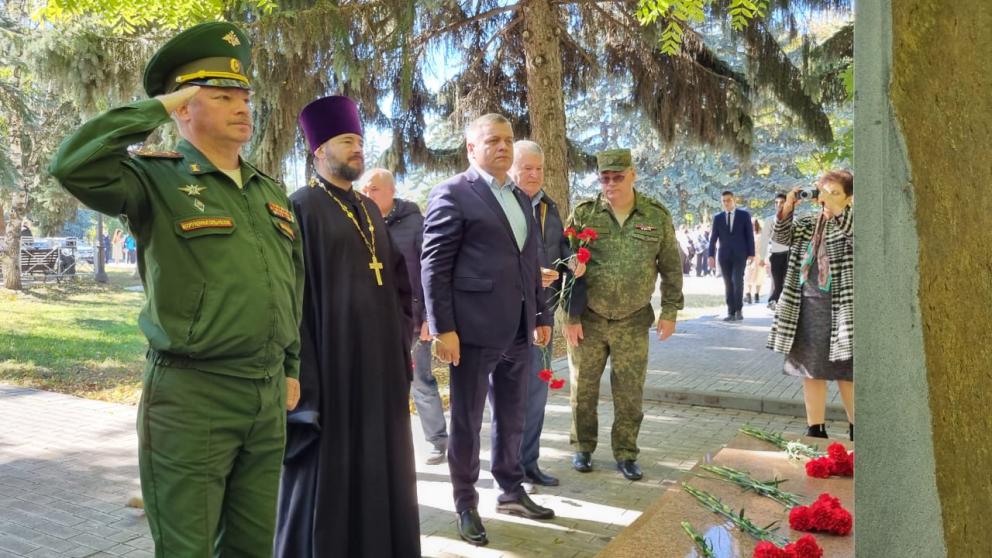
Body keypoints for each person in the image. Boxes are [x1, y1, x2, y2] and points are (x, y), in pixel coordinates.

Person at [48, 22, 304, 557]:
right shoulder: (153, 179)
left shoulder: (269, 191)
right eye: (219, 95)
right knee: (187, 550)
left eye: (244, 96)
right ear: (184, 107)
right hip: (192, 395)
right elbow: (71, 164)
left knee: (255, 546)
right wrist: (159, 106)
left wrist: (290, 368)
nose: (241, 106)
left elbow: (290, 283)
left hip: (263, 395)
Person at [275, 96, 420, 558]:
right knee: (328, 476)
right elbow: (291, 297)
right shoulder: (300, 208)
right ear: (319, 153)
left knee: (382, 467)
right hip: (331, 372)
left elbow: (397, 281)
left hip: (380, 373)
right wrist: (304, 375)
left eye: (359, 140)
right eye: (345, 141)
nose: (357, 149)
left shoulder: (369, 208)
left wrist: (399, 346)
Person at [421, 113, 555, 547]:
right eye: (492, 140)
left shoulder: (518, 197)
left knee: (512, 417)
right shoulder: (453, 194)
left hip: (517, 328)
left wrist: (540, 316)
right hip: (473, 331)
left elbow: (527, 264)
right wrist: (444, 328)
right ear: (471, 149)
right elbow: (434, 267)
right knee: (467, 421)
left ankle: (511, 491)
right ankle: (465, 503)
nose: (503, 147)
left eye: (508, 140)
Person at [564, 148, 684, 481]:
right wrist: (569, 317)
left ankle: (627, 452)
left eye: (618, 177)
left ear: (632, 174)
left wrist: (670, 309)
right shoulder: (585, 215)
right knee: (583, 388)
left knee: (629, 391)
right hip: (589, 318)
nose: (611, 184)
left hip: (633, 319)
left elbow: (671, 267)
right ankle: (583, 448)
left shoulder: (655, 216)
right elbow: (565, 264)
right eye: (605, 178)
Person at [361, 167, 449, 466]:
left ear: (390, 191)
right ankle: (384, 444)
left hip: (411, 319)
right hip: (372, 320)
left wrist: (428, 317)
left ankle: (438, 441)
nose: (366, 194)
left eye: (373, 189)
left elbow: (430, 271)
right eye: (364, 189)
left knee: (420, 381)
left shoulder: (415, 223)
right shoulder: (360, 222)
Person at [507, 139, 581, 488]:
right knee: (509, 397)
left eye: (539, 168)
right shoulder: (501, 205)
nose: (534, 174)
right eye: (527, 168)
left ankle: (528, 463)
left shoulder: (550, 208)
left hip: (542, 316)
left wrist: (571, 265)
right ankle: (507, 470)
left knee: (537, 392)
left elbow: (561, 252)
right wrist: (528, 275)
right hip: (505, 317)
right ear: (512, 169)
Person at [767, 170, 854, 441]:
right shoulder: (808, 224)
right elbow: (781, 239)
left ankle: (857, 429)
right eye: (824, 192)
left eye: (835, 193)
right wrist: (787, 209)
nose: (827, 198)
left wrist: (837, 210)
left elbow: (855, 234)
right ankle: (815, 430)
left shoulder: (854, 222)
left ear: (849, 198)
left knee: (847, 372)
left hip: (842, 311)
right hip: (806, 307)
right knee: (811, 371)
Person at [708, 190, 755, 321]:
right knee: (728, 283)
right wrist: (710, 255)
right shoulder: (718, 218)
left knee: (737, 281)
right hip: (724, 256)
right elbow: (713, 238)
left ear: (734, 200)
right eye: (723, 201)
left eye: (728, 200)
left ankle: (739, 310)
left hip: (740, 255)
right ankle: (730, 312)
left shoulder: (744, 215)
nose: (726, 203)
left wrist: (751, 253)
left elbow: (749, 235)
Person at [766, 193, 790, 310]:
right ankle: (773, 300)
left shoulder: (793, 219)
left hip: (789, 255)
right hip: (775, 255)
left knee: (787, 283)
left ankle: (778, 302)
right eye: (776, 202)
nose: (779, 205)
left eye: (781, 202)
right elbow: (765, 239)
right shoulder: (770, 220)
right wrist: (763, 258)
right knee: (777, 282)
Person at [744, 218, 769, 304]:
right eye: (751, 224)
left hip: (759, 257)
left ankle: (757, 294)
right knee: (748, 276)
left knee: (759, 276)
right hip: (750, 258)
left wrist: (763, 259)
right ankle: (748, 294)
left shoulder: (761, 235)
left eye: (754, 224)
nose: (752, 226)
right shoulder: (747, 234)